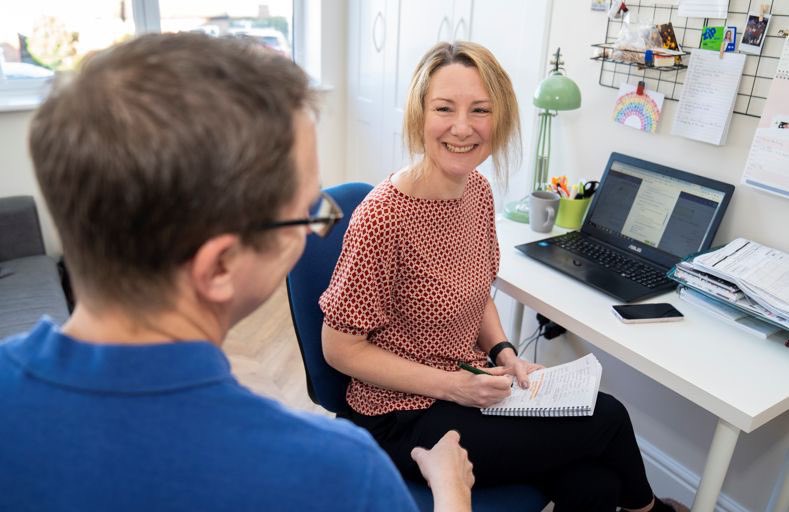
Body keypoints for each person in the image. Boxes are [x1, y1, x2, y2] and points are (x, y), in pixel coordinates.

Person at [0, 33, 474, 512]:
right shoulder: (338, 475)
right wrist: (451, 490)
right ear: (220, 266)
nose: (315, 229)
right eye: (307, 213)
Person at [320, 41, 689, 512]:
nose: (462, 127)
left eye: (480, 110)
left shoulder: (476, 190)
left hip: (470, 382)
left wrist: (506, 353)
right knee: (609, 417)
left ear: (500, 119)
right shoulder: (382, 219)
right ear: (419, 115)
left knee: (594, 483)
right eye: (444, 108)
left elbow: (478, 293)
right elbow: (339, 348)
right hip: (401, 413)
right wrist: (454, 385)